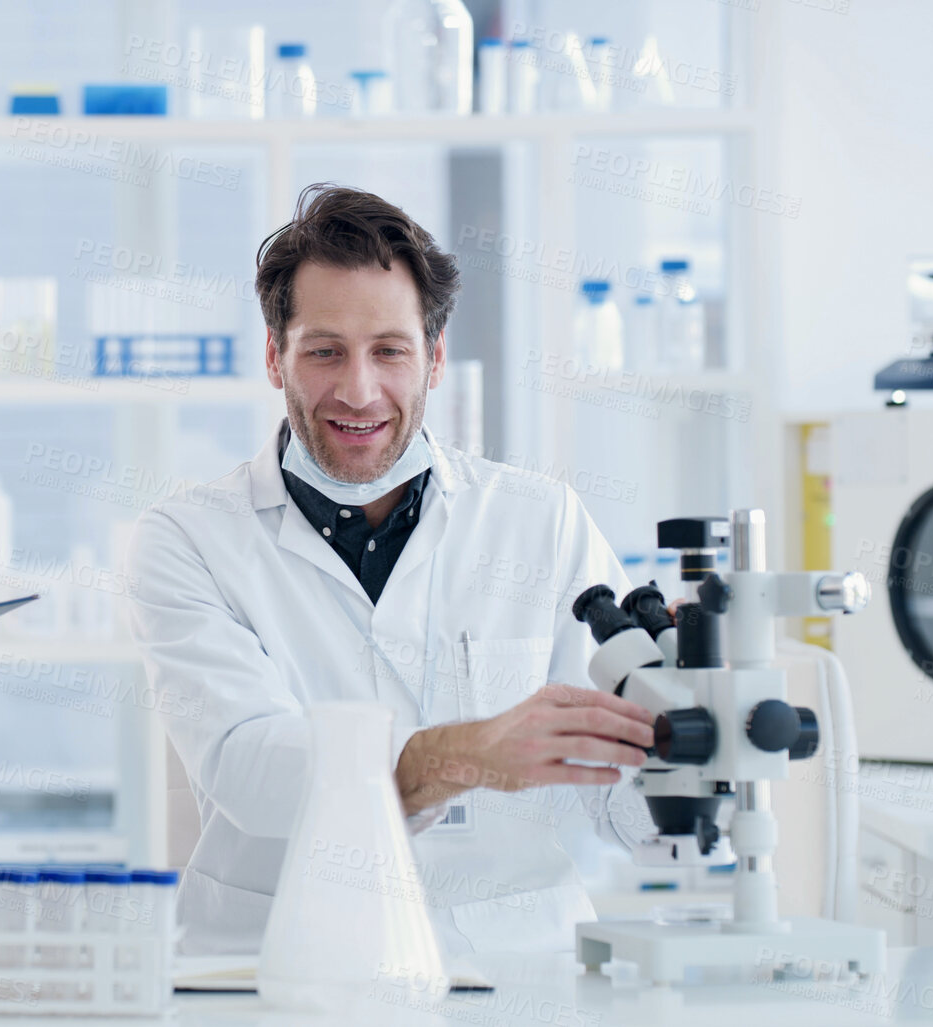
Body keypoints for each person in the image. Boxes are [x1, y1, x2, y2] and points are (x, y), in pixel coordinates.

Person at [128, 184, 656, 957]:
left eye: (388, 350)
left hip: (514, 963)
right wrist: (468, 752)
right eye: (323, 350)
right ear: (274, 358)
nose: (357, 390)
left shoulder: (540, 520)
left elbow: (625, 799)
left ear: (434, 358)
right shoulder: (187, 540)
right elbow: (248, 767)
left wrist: (687, 747)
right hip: (278, 964)